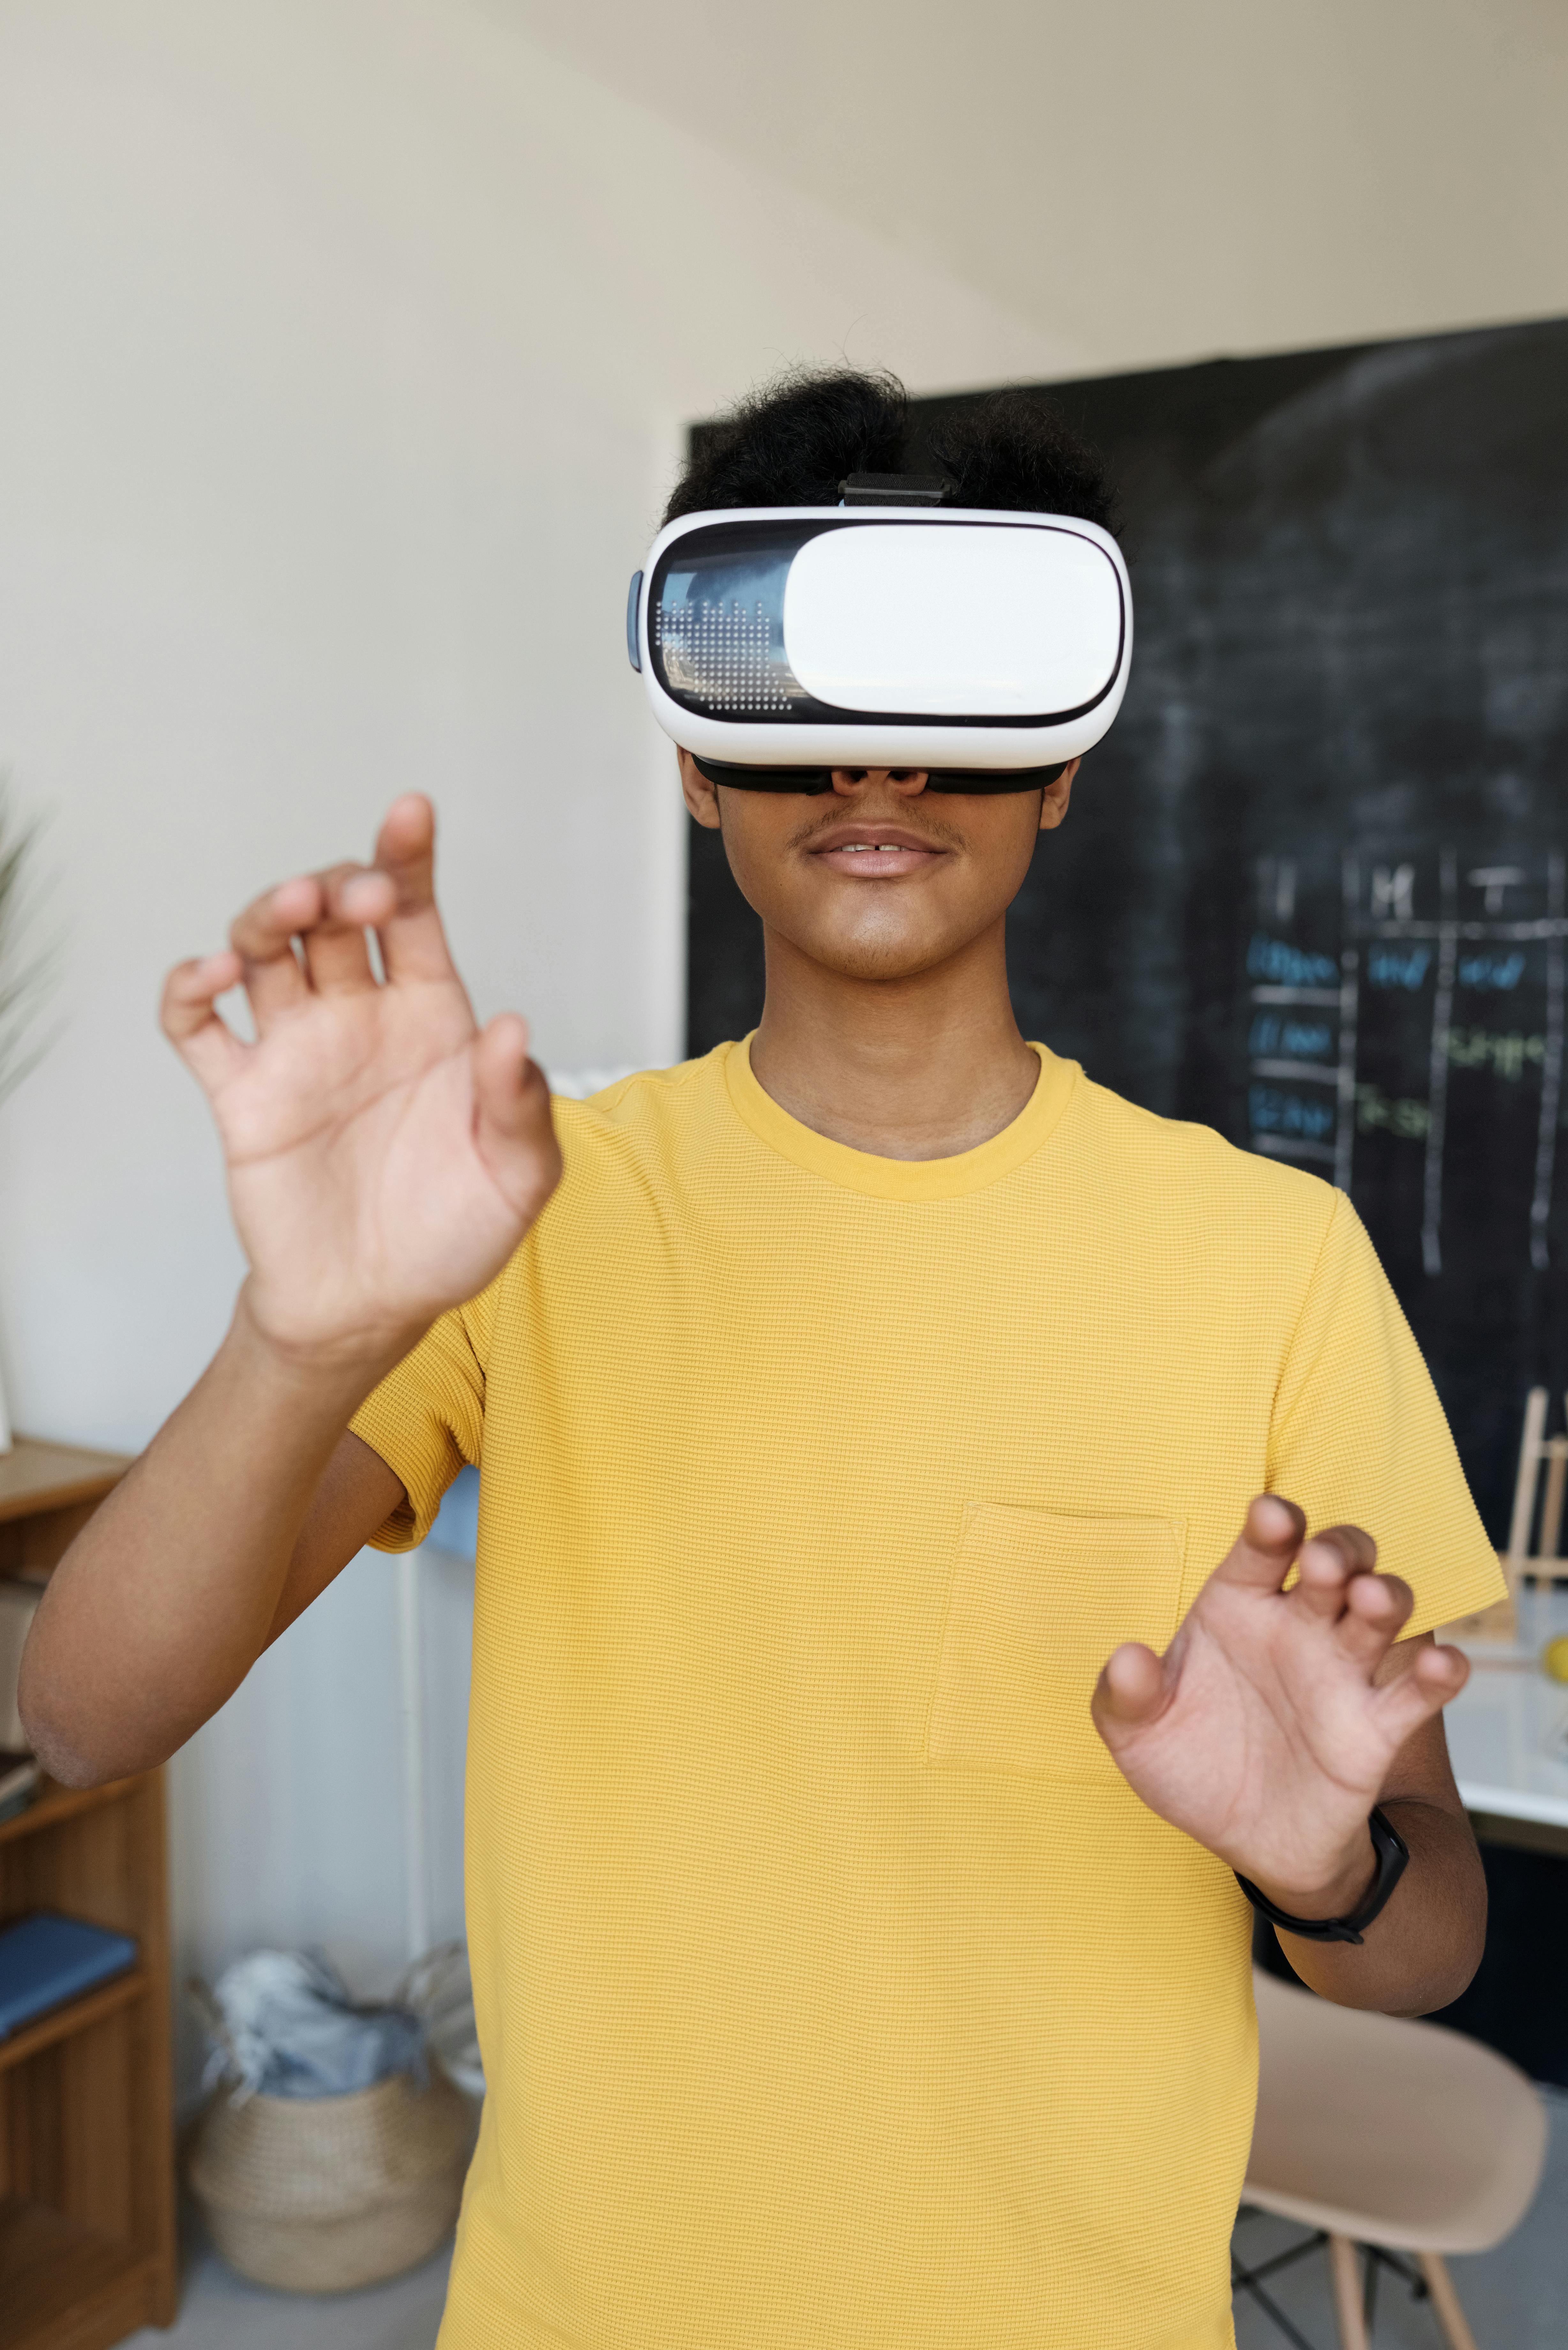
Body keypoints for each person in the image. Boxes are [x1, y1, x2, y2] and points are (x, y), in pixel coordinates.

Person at [22, 369, 1503, 2350]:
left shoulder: (1272, 1263)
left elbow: (1427, 1946)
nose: (876, 764)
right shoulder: (524, 1210)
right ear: (697, 759)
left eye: (958, 685)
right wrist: (308, 1336)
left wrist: (1330, 1875)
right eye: (795, 684)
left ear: (1064, 757)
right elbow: (87, 1716)